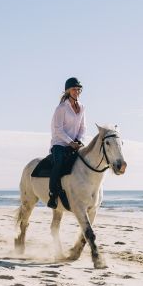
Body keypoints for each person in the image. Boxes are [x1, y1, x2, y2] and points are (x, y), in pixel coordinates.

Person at [47, 77, 86, 209]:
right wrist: (70, 142)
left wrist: (79, 140)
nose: (77, 92)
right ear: (68, 91)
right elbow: (58, 129)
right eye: (74, 89)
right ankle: (52, 195)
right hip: (60, 144)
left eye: (78, 89)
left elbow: (83, 127)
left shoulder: (82, 107)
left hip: (75, 143)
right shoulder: (61, 108)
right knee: (58, 163)